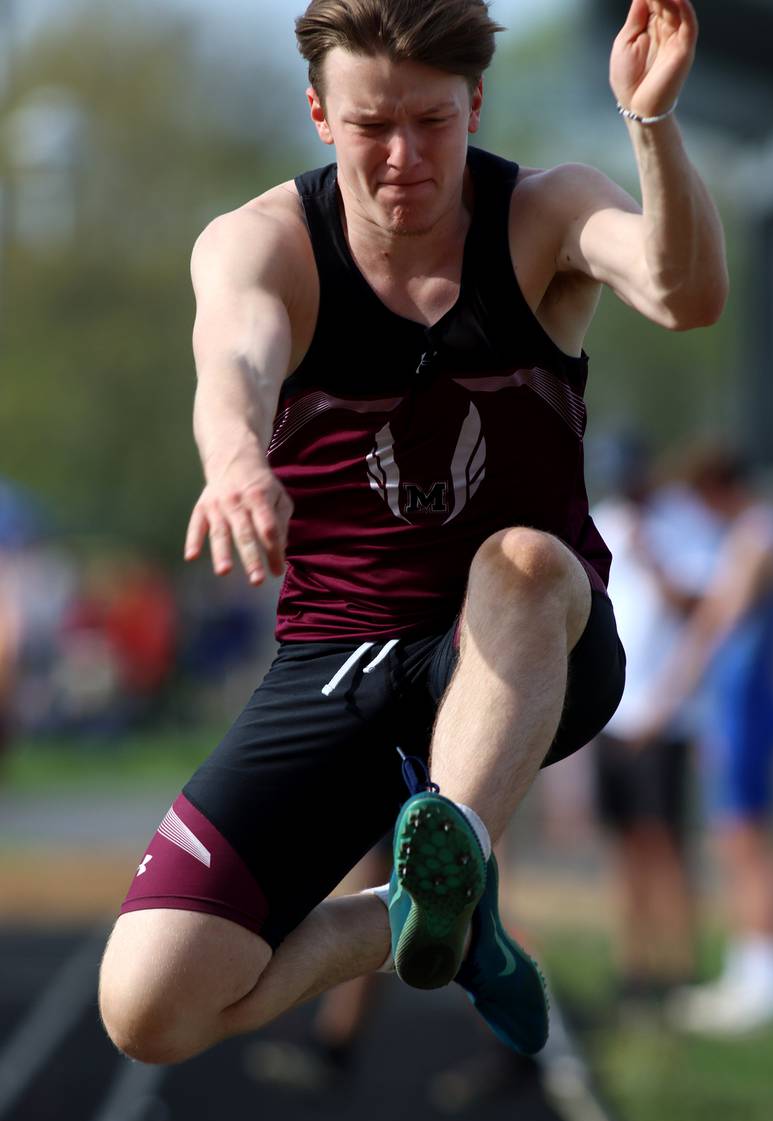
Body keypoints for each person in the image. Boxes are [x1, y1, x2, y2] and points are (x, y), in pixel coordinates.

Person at [98, 0, 727, 1066]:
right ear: (318, 115)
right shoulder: (263, 243)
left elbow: (683, 293)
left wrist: (649, 123)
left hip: (535, 645)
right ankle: (428, 907)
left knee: (520, 556)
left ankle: (459, 844)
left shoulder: (539, 215)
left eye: (432, 124)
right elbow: (235, 357)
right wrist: (238, 459)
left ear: (473, 103)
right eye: (369, 127)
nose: (401, 159)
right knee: (149, 1009)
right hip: (341, 664)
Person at [640, 447, 773, 1034]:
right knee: (738, 837)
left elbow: (715, 624)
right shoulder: (758, 534)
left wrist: (668, 695)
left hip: (748, 705)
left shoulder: (758, 537)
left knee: (746, 837)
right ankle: (752, 964)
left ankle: (765, 973)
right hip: (737, 704)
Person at [591, 437, 720, 1012]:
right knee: (623, 846)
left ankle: (682, 967)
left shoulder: (682, 521)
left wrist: (655, 561)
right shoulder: (600, 522)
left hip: (664, 717)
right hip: (612, 717)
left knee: (667, 844)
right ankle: (635, 966)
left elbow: (701, 610)